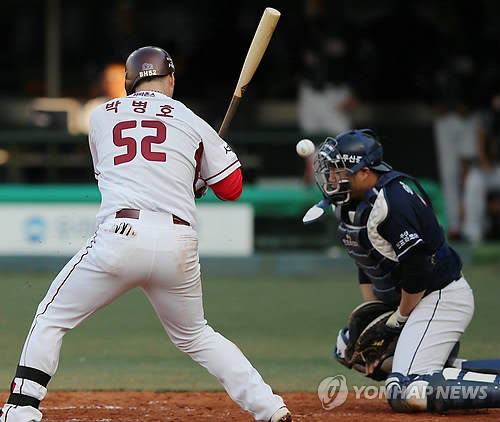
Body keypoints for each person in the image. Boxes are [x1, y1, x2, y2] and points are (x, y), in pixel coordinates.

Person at [0, 46, 291, 422]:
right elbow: (231, 188)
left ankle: (22, 409)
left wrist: (192, 177)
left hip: (120, 235)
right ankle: (270, 408)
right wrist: (198, 178)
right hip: (178, 244)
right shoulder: (192, 120)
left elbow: (122, 169)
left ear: (128, 82)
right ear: (171, 79)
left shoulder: (101, 115)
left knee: (51, 318)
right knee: (196, 336)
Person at [311, 129, 500, 412]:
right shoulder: (350, 203)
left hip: (439, 298)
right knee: (348, 349)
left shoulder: (393, 200)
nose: (333, 178)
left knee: (405, 390)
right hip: (414, 302)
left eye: (340, 171)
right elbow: (366, 263)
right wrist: (377, 314)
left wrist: (396, 322)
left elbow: (418, 270)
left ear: (364, 172)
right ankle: (450, 371)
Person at [463, 94, 500, 242]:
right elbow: (481, 135)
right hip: (490, 169)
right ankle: (473, 234)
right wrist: (484, 160)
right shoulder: (488, 117)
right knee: (473, 182)